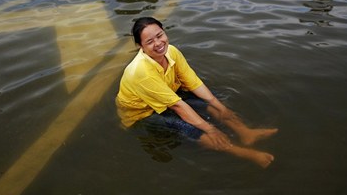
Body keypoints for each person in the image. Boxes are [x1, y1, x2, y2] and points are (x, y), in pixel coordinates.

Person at [115, 17, 278, 168]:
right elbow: (178, 107)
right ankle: (244, 153)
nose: (158, 43)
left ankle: (246, 132)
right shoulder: (141, 71)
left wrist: (220, 106)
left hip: (168, 95)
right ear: (140, 46)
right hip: (143, 113)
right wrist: (210, 129)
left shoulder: (171, 51)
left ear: (164, 32)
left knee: (212, 103)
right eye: (150, 41)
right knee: (189, 128)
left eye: (160, 35)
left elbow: (193, 82)